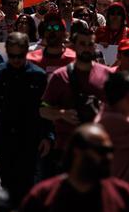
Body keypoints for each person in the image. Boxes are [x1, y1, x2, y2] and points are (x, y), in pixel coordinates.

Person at [0, 31, 50, 206]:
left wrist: (48, 136)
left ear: (26, 51)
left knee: (28, 182)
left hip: (29, 138)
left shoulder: (38, 76)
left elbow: (47, 109)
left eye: (20, 56)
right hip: (3, 137)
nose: (16, 60)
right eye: (12, 56)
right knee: (8, 182)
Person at [41, 22, 111, 174]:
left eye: (90, 44)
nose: (86, 48)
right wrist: (61, 114)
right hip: (67, 150)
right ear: (74, 46)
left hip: (99, 149)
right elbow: (43, 110)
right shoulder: (60, 76)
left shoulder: (108, 75)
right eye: (82, 44)